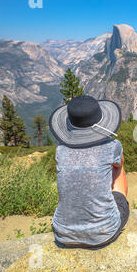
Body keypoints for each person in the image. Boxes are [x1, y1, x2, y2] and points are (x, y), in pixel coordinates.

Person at [48, 95, 129, 248]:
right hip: (105, 233)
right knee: (118, 167)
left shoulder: (61, 150)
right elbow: (119, 164)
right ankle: (114, 205)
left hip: (62, 234)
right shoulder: (113, 145)